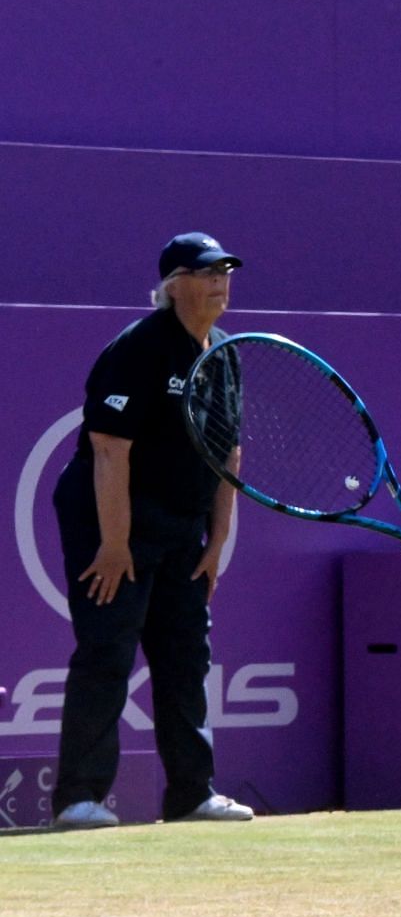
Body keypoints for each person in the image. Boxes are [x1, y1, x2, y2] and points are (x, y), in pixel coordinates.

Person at [49, 232, 256, 829]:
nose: (220, 281)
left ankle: (192, 794)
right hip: (109, 517)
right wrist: (114, 545)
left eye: (226, 271)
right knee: (108, 648)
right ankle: (79, 800)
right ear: (173, 286)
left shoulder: (225, 353)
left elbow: (229, 457)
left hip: (182, 525)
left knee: (185, 652)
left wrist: (216, 545)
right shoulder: (137, 348)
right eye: (206, 271)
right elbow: (110, 450)